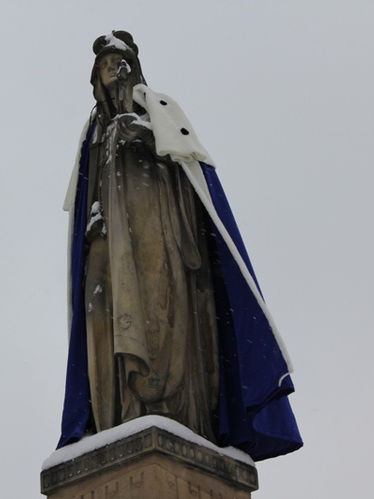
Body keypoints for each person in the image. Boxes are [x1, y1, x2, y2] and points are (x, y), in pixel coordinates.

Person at [59, 31, 303, 461]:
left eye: (122, 59)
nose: (115, 67)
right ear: (95, 75)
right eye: (106, 62)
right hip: (109, 238)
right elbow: (86, 189)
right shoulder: (93, 131)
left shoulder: (160, 109)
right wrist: (95, 214)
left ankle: (166, 405)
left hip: (160, 226)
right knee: (103, 312)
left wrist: (151, 137)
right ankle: (116, 408)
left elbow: (192, 172)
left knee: (161, 308)